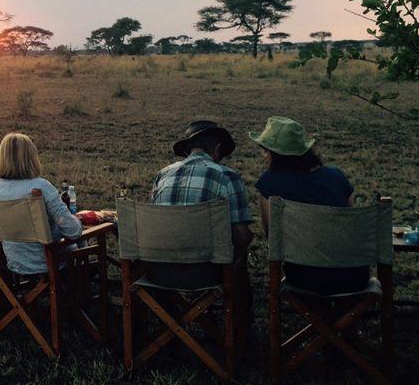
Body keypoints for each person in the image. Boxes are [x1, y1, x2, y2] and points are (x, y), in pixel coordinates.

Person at [250, 115, 366, 295]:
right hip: (354, 275)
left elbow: (273, 237)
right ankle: (341, 320)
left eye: (266, 151)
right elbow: (351, 225)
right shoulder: (337, 177)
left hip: (304, 277)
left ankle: (324, 320)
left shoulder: (269, 183)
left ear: (274, 154)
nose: (264, 155)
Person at [151, 120, 253, 288]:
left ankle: (169, 312)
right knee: (240, 263)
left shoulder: (163, 174)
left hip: (159, 270)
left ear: (187, 150)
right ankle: (239, 313)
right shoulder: (228, 176)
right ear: (218, 149)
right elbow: (242, 236)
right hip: (206, 273)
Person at [0, 132, 83, 275]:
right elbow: (73, 231)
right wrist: (77, 220)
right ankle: (85, 287)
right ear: (31, 158)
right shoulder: (41, 187)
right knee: (81, 241)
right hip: (49, 261)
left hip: (13, 260)